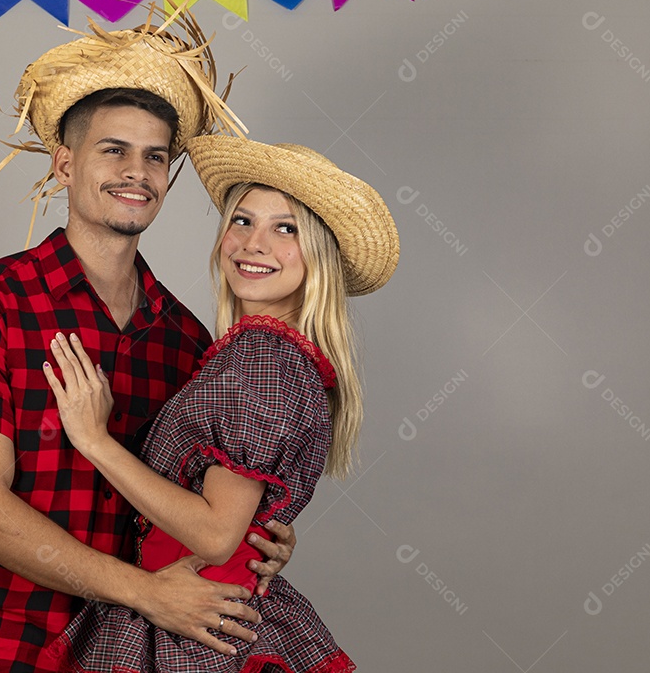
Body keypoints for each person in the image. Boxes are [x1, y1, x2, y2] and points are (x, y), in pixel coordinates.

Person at [0, 11, 296, 673]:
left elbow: (191, 511)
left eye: (155, 156)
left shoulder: (187, 341)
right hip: (0, 642)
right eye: (113, 150)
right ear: (65, 163)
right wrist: (144, 592)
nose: (136, 172)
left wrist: (248, 538)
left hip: (133, 653)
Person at [41, 136, 400, 672]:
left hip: (191, 627)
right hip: (208, 612)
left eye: (286, 229)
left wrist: (95, 441)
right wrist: (259, 536)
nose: (254, 243)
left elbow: (213, 535)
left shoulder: (261, 357)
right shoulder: (265, 354)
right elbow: (234, 519)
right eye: (242, 221)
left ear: (319, 255)